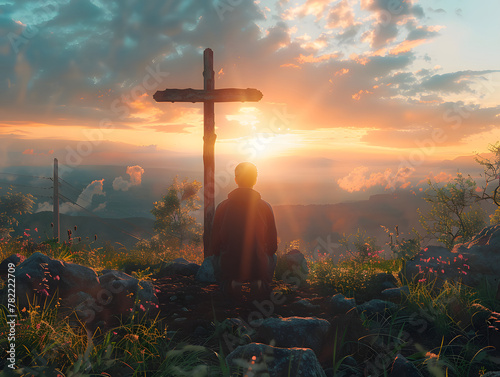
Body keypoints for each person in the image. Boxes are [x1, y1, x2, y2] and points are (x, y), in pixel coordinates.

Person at [210, 162, 278, 297]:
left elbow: (215, 245)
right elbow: (272, 246)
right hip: (258, 265)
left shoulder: (222, 207)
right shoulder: (266, 207)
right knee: (273, 257)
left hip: (229, 264)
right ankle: (259, 282)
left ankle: (229, 283)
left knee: (214, 258)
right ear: (255, 180)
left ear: (236, 180)